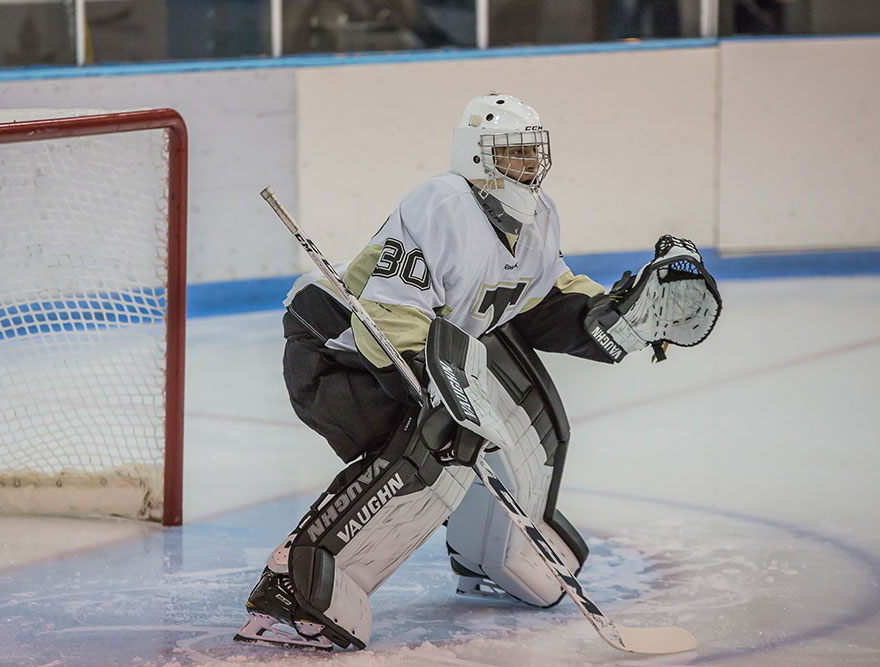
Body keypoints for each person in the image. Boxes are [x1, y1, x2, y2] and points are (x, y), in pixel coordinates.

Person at [234, 92, 719, 651]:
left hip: (433, 343)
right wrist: (443, 395)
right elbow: (387, 318)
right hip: (337, 351)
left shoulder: (539, 218)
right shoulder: (443, 204)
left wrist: (616, 316)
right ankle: (298, 588)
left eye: (533, 153)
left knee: (529, 424)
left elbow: (540, 301)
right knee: (444, 442)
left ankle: (497, 551)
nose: (528, 166)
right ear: (477, 157)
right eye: (513, 154)